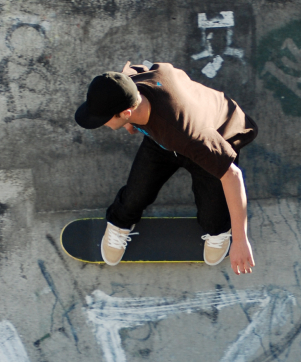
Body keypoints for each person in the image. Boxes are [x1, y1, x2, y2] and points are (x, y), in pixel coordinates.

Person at [74, 62, 258, 274]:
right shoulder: (133, 85)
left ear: (125, 112)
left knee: (213, 218)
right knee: (136, 193)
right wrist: (130, 122)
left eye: (104, 120)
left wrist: (241, 240)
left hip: (211, 140)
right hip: (161, 139)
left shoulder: (191, 134)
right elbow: (136, 70)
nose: (103, 124)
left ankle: (219, 231)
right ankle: (120, 223)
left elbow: (233, 176)